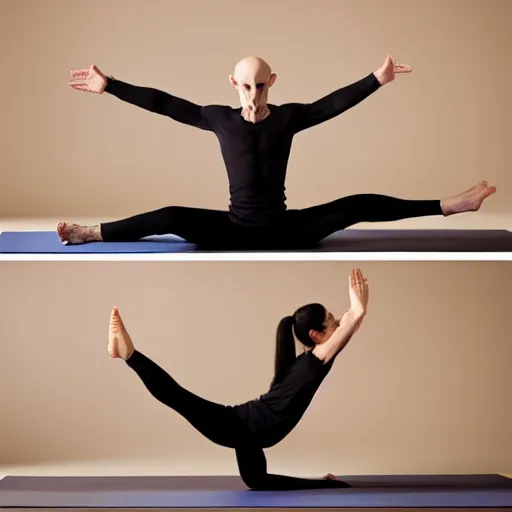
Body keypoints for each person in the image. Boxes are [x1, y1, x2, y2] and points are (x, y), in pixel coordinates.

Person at [59, 55, 496, 249]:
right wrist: (110, 85)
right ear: (233, 84)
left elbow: (331, 105)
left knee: (356, 204)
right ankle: (90, 233)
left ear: (274, 81)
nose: (254, 94)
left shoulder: (287, 117)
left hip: (287, 229)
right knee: (170, 215)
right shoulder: (218, 117)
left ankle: (451, 205)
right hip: (231, 230)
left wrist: (375, 80)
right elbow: (165, 103)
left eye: (261, 84)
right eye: (246, 85)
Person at [107, 268, 369, 490]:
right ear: (315, 335)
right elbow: (347, 325)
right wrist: (358, 310)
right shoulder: (315, 360)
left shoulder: (308, 360)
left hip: (249, 433)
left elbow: (346, 327)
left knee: (257, 481)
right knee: (177, 397)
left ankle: (326, 483)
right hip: (242, 426)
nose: (336, 322)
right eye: (331, 319)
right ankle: (129, 354)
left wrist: (356, 314)